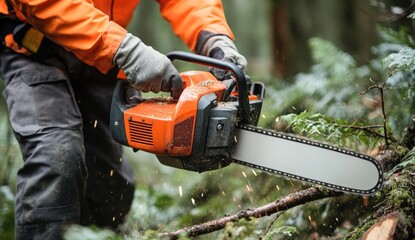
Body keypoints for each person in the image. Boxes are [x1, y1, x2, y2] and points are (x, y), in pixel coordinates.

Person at [0, 0, 247, 239]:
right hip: (34, 50)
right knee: (56, 158)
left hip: (101, 54)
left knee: (109, 188)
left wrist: (213, 37)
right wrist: (124, 49)